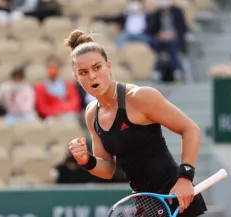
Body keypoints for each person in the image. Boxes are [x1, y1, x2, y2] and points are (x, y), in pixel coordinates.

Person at [67, 30, 207, 216]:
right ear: (77, 78)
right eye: (83, 72)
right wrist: (86, 160)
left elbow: (190, 129)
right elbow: (108, 169)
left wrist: (185, 178)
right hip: (146, 205)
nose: (92, 76)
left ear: (109, 67)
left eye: (97, 67)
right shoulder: (92, 113)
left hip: (176, 198)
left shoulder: (140, 97)